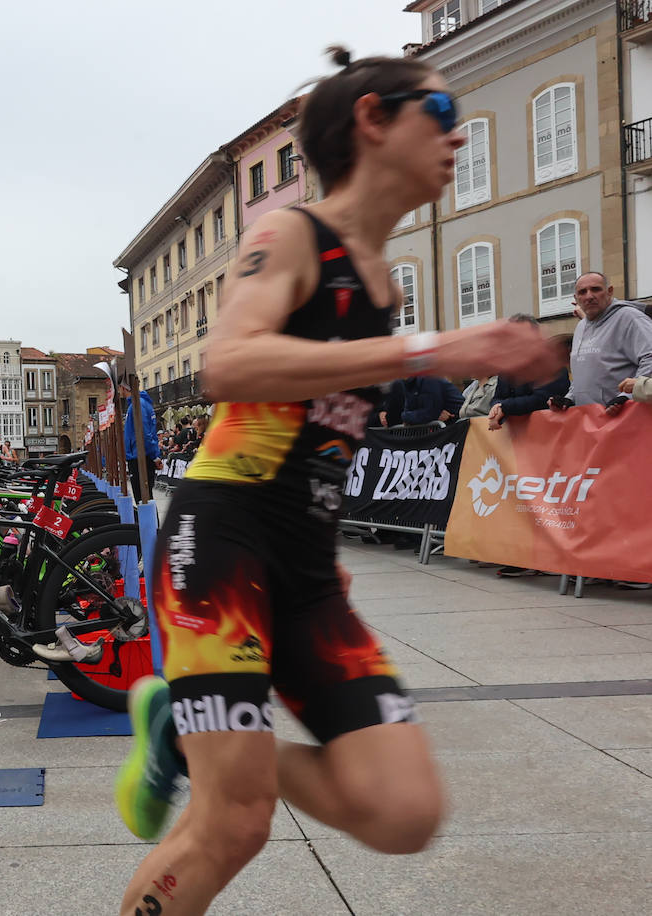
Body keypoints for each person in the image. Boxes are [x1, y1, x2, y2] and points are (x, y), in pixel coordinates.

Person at [113, 46, 561, 916]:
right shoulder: (291, 234)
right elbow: (230, 364)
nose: (460, 137)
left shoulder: (382, 283)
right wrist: (436, 349)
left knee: (403, 813)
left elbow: (327, 434)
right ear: (372, 120)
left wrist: (319, 542)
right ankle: (215, 770)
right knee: (234, 825)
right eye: (441, 114)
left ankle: (181, 735)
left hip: (307, 573)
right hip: (223, 547)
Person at [548, 271, 652, 415]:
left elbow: (650, 358)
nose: (589, 296)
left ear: (609, 292)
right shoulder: (581, 326)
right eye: (582, 292)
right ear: (576, 298)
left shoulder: (630, 318)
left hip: (626, 419)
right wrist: (570, 398)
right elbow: (582, 372)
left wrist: (626, 397)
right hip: (592, 424)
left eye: (596, 289)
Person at [119, 377, 159, 501]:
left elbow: (144, 434)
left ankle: (149, 521)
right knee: (145, 498)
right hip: (141, 455)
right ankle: (150, 521)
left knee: (143, 498)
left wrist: (153, 456)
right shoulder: (141, 403)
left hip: (140, 457)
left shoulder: (137, 405)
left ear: (123, 387)